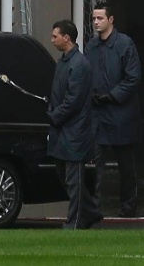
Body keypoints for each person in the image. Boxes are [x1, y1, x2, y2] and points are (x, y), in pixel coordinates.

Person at [84, 4, 141, 219]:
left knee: (126, 166)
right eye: (94, 18)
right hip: (98, 114)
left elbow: (133, 78)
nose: (96, 22)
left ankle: (128, 207)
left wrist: (112, 95)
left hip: (121, 115)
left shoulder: (125, 44)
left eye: (100, 18)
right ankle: (93, 208)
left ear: (111, 20)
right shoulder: (91, 46)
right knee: (93, 165)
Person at [46, 19, 99, 229]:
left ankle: (75, 222)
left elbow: (73, 100)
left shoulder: (79, 65)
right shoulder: (63, 63)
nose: (52, 40)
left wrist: (54, 116)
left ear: (66, 38)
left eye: (55, 36)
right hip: (63, 130)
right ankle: (91, 211)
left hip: (75, 131)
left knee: (74, 180)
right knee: (63, 175)